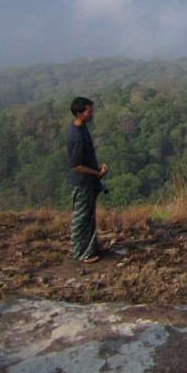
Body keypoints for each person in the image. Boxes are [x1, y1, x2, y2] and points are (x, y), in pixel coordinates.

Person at [67, 96, 108, 263]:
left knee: (89, 216)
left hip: (88, 180)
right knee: (81, 217)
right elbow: (76, 166)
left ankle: (90, 249)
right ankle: (81, 253)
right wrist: (97, 174)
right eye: (89, 111)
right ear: (79, 113)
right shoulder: (76, 136)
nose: (92, 114)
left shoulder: (81, 128)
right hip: (82, 182)